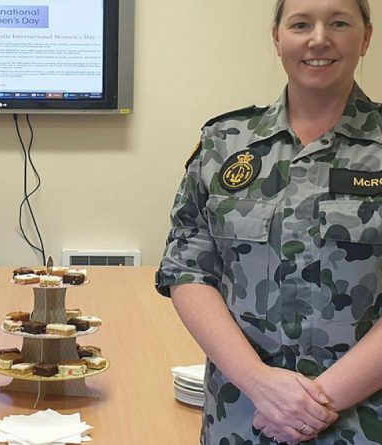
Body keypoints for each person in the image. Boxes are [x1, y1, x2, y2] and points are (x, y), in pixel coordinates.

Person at [156, 0, 382, 443]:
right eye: (301, 24)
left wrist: (313, 404)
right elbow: (187, 271)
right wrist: (260, 383)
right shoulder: (225, 143)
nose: (319, 38)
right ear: (277, 36)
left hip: (364, 423)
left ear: (366, 38)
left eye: (338, 23)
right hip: (243, 420)